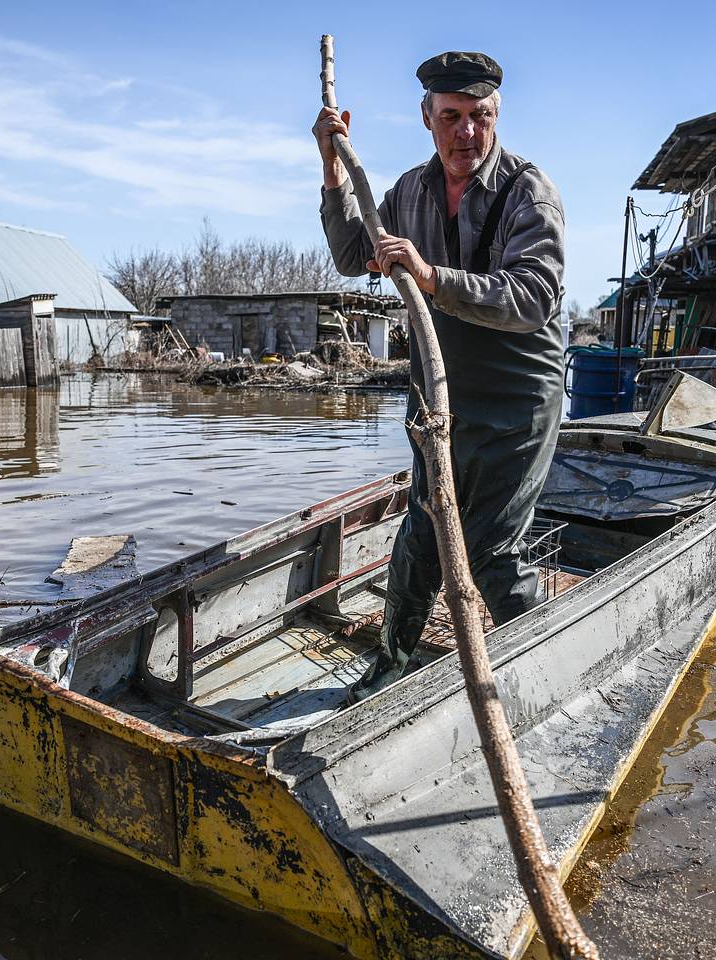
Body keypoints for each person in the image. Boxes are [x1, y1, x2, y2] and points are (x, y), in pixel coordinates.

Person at [313, 50, 566, 703]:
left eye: (480, 117)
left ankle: (552, 677)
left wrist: (431, 278)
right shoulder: (409, 192)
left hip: (517, 395)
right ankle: (392, 665)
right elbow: (349, 256)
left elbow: (532, 297)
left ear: (495, 117)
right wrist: (332, 164)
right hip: (438, 389)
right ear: (427, 117)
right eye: (452, 117)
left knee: (491, 551)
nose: (467, 134)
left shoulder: (526, 192)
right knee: (421, 533)